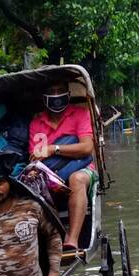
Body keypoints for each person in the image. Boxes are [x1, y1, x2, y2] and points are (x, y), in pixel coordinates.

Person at [28, 82, 96, 255]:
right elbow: (36, 156)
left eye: (60, 91)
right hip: (50, 174)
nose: (57, 95)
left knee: (77, 179)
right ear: (45, 97)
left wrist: (53, 149)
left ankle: (72, 239)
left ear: (67, 94)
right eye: (52, 91)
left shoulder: (80, 114)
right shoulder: (37, 123)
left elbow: (86, 148)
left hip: (83, 168)